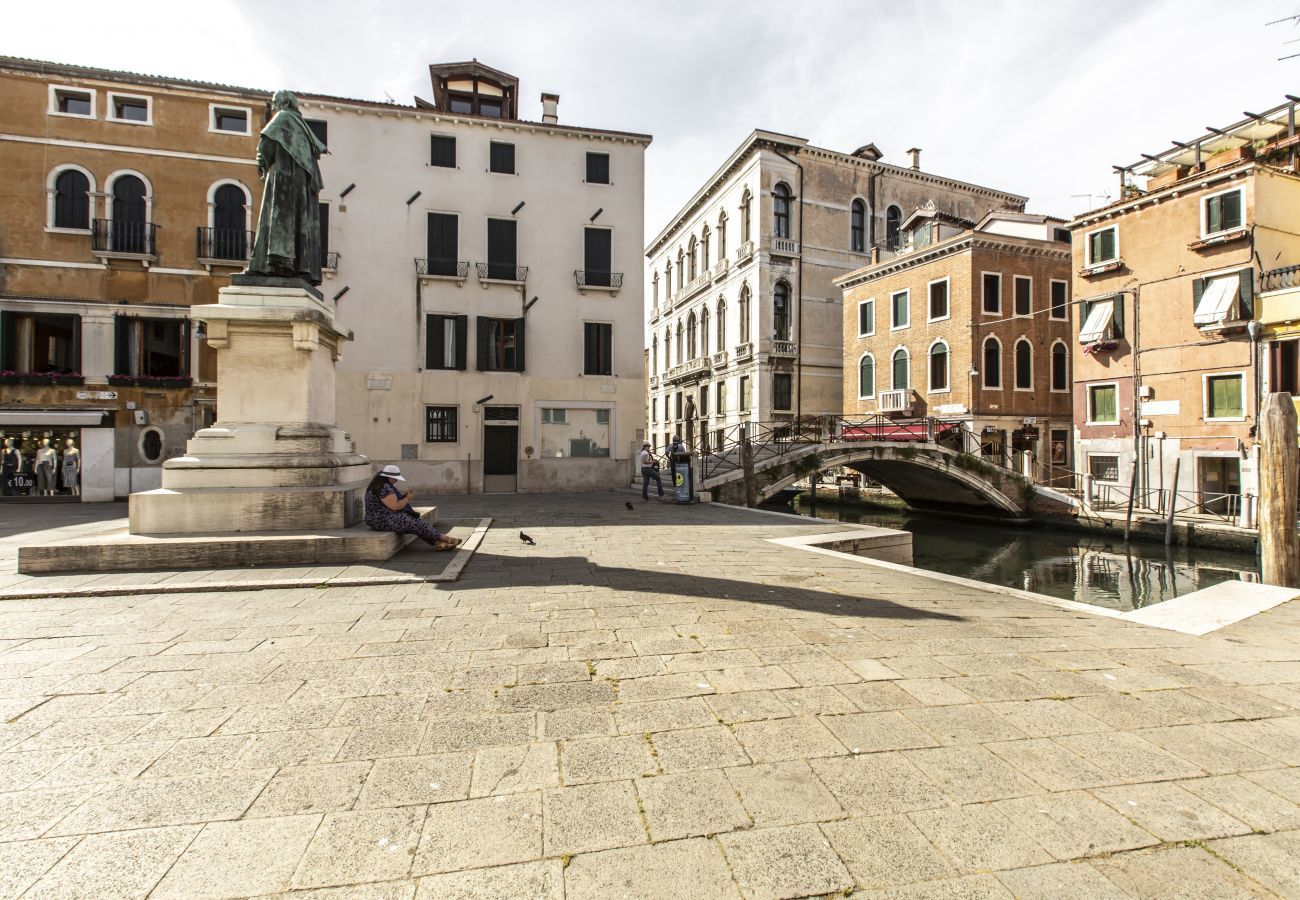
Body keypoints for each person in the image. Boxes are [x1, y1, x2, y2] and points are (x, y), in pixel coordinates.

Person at [363, 464, 460, 549]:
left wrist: (403, 497)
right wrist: (407, 498)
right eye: (395, 478)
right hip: (381, 520)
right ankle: (443, 538)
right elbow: (395, 506)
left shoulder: (380, 484)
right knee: (414, 523)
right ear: (390, 477)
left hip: (380, 518)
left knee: (415, 522)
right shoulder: (384, 487)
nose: (396, 480)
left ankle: (438, 542)